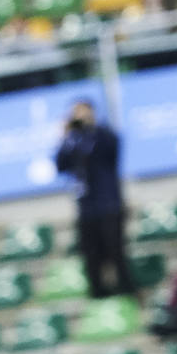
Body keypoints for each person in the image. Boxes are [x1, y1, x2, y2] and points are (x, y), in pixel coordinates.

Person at [55, 99, 136, 300]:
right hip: (86, 206)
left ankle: (125, 290)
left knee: (115, 249)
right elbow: (60, 165)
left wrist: (91, 126)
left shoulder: (102, 134)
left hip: (108, 203)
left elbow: (113, 149)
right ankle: (98, 293)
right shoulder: (73, 140)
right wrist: (64, 136)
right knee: (91, 253)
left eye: (82, 112)